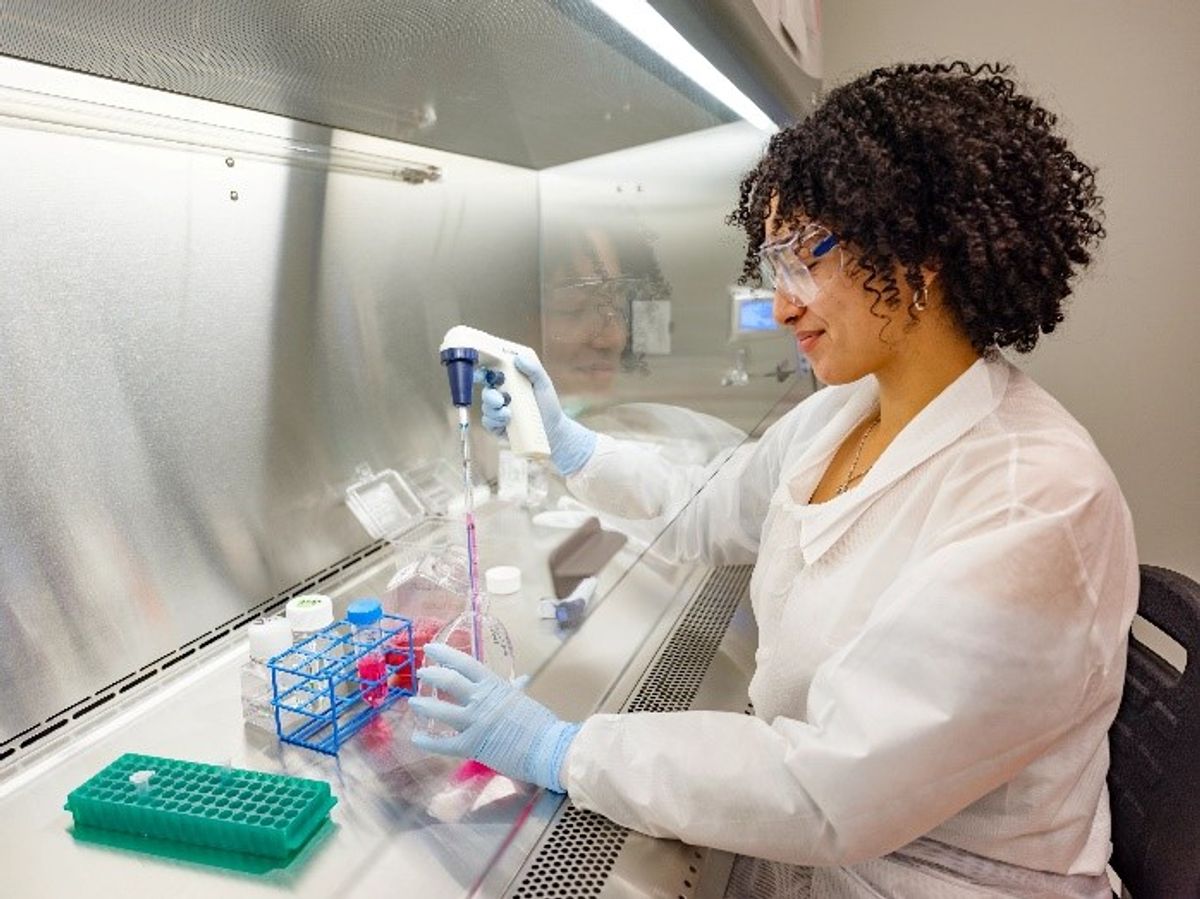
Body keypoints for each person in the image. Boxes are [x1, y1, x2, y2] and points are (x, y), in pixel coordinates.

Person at [410, 62, 1137, 898]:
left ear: (921, 251)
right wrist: (572, 448)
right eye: (774, 262)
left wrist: (560, 749)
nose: (782, 304)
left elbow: (832, 785)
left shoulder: (1035, 500)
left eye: (805, 254)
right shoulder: (848, 410)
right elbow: (704, 511)